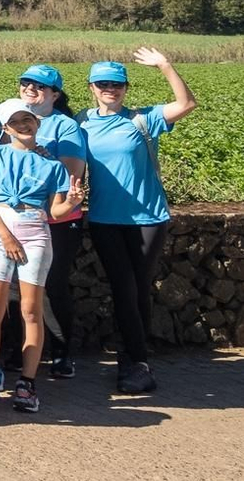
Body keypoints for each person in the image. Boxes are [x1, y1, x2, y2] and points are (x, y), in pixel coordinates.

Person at [79, 49, 197, 394]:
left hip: (149, 217)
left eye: (116, 84)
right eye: (103, 83)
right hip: (104, 218)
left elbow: (187, 104)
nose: (109, 89)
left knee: (138, 287)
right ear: (91, 87)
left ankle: (136, 359)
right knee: (123, 287)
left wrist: (165, 66)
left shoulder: (143, 119)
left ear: (126, 88)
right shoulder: (80, 122)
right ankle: (135, 358)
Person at [0, 99, 76, 413]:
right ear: (5, 127)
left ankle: (27, 383)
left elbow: (54, 210)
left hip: (35, 234)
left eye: (28, 120)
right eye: (16, 122)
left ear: (36, 123)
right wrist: (5, 236)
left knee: (30, 310)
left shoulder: (53, 166)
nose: (23, 126)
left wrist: (72, 203)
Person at [11, 63, 89, 380]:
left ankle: (61, 353)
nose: (31, 88)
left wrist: (40, 159)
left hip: (59, 220)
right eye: (26, 82)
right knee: (17, 289)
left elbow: (72, 174)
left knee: (52, 287)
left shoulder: (65, 127)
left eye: (40, 86)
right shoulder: (13, 119)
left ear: (55, 94)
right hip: (21, 219)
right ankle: (22, 351)